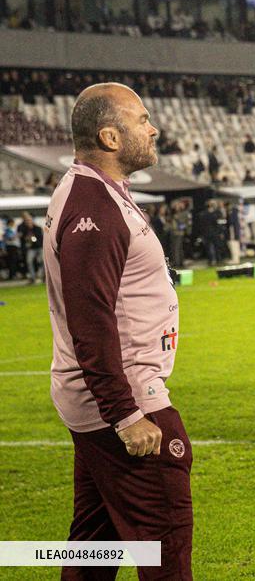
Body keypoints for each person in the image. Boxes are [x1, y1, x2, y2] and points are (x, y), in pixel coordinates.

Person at [44, 82, 192, 579]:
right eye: (142, 119)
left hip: (98, 400)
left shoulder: (98, 191)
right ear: (110, 136)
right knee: (165, 547)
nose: (153, 128)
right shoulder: (94, 208)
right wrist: (125, 414)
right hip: (126, 398)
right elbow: (92, 321)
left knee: (92, 547)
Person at [18, 212, 43, 283]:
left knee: (42, 261)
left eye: (29, 220)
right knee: (29, 261)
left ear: (32, 221)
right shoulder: (24, 229)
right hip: (31, 248)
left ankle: (44, 277)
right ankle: (32, 277)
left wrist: (34, 239)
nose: (28, 222)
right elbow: (22, 238)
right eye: (27, 221)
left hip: (39, 247)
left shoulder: (38, 228)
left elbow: (40, 238)